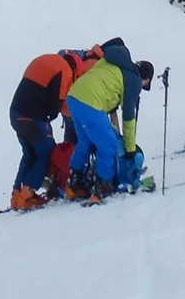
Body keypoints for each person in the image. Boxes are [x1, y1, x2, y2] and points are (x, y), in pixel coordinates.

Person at [8, 47, 98, 209]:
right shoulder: (64, 70)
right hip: (32, 117)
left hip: (15, 113)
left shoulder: (47, 59)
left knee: (29, 153)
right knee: (46, 152)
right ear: (75, 68)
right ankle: (27, 194)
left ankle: (16, 195)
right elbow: (56, 104)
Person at [64, 38, 153, 197]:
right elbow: (128, 118)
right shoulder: (133, 80)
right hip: (90, 102)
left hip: (73, 97)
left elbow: (104, 87)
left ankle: (73, 184)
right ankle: (102, 187)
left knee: (85, 141)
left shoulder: (110, 62)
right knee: (109, 145)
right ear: (143, 78)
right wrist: (130, 149)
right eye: (145, 84)